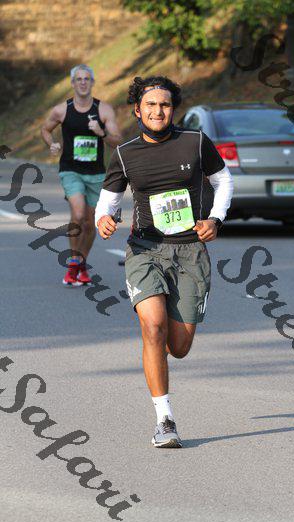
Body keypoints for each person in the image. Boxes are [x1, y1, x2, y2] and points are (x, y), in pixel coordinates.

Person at [95, 75, 233, 448]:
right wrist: (104, 219)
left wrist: (215, 220)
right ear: (137, 110)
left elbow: (223, 181)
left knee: (179, 346)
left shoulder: (195, 142)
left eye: (165, 105)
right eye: (151, 105)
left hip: (190, 251)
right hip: (145, 250)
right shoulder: (125, 153)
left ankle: (163, 350)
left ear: (173, 109)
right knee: (153, 326)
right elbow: (108, 201)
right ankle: (164, 420)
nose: (158, 111)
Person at [41, 64, 122, 286]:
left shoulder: (104, 110)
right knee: (77, 214)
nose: (83, 82)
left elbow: (117, 141)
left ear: (92, 82)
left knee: (90, 222)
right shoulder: (62, 110)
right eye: (79, 79)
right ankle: (73, 262)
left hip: (96, 173)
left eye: (87, 78)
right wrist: (52, 144)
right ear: (72, 83)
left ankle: (81, 262)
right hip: (71, 170)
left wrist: (101, 132)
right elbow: (45, 129)